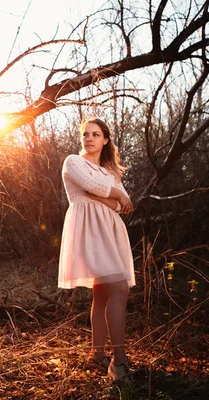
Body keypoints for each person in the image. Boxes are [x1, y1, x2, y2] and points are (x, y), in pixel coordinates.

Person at [58, 117, 135, 380]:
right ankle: (120, 362)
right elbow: (89, 188)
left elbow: (122, 206)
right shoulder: (72, 162)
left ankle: (97, 355)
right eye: (85, 134)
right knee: (120, 288)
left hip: (109, 232)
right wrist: (115, 194)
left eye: (95, 134)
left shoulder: (110, 172)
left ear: (105, 139)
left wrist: (113, 196)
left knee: (102, 295)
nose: (89, 138)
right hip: (89, 232)